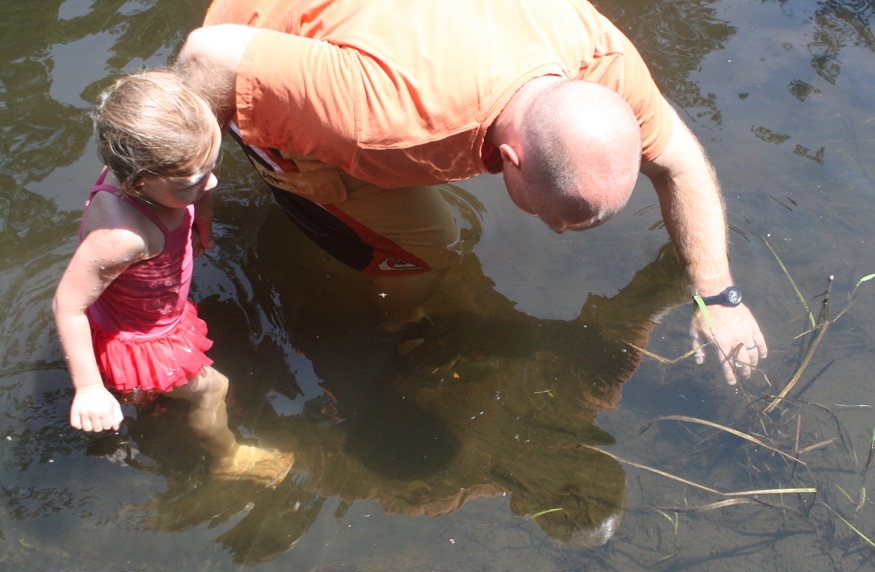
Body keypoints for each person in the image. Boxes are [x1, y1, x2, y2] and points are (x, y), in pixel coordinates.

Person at [175, 0, 767, 385]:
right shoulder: (389, 119)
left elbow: (680, 163)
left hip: (395, 39)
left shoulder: (606, 64)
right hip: (255, 38)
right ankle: (394, 333)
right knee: (427, 248)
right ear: (508, 161)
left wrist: (718, 295)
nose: (556, 232)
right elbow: (209, 55)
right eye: (555, 219)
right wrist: (192, 186)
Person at [52, 70, 294, 485]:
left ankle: (147, 398)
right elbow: (68, 304)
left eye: (211, 166)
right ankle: (227, 458)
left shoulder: (161, 173)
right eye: (192, 183)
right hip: (143, 338)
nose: (210, 181)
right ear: (137, 180)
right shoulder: (122, 237)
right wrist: (89, 387)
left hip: (150, 309)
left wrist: (202, 223)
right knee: (213, 389)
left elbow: (200, 183)